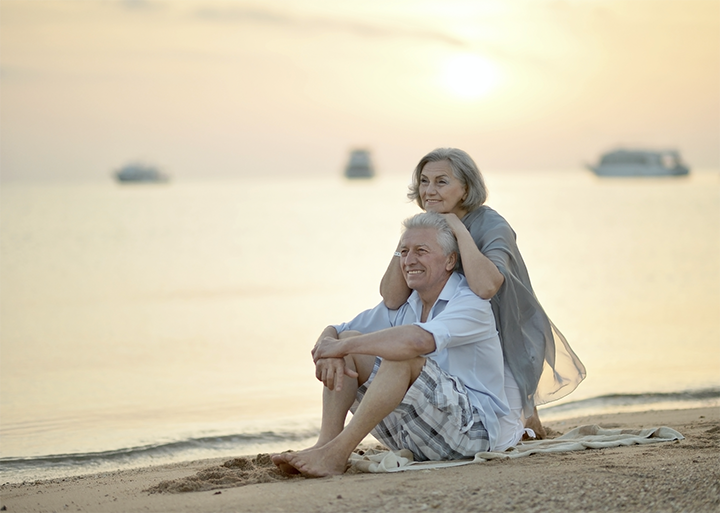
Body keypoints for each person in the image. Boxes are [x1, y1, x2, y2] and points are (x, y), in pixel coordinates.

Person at [271, 212, 520, 477]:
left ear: (450, 260)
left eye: (421, 251)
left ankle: (336, 454)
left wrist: (342, 348)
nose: (409, 260)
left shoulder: (471, 302)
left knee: (401, 355)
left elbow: (417, 341)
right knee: (349, 342)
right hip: (417, 434)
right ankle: (325, 445)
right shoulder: (408, 302)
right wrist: (329, 349)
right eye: (404, 252)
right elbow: (337, 331)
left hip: (471, 431)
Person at [380, 148, 586, 438]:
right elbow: (391, 298)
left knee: (517, 428)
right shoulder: (427, 226)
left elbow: (486, 287)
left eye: (441, 182)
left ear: (465, 188)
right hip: (465, 330)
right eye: (424, 181)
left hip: (511, 334)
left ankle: (531, 422)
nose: (429, 191)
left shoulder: (493, 225)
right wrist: (406, 240)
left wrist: (458, 229)